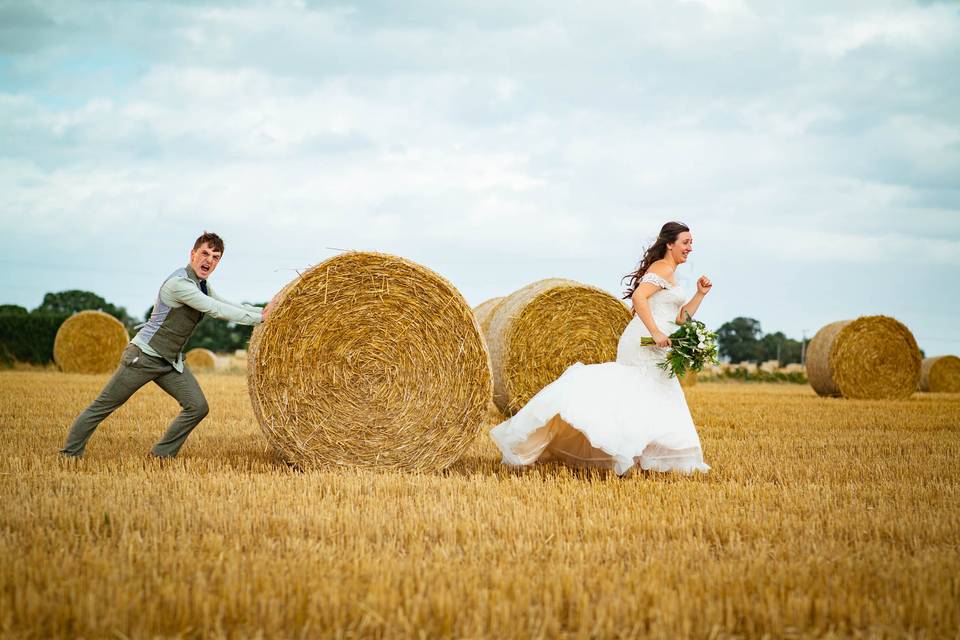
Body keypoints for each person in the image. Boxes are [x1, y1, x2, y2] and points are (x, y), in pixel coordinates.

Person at [490, 221, 712, 475]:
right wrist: (656, 332)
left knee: (651, 395)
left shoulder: (670, 272)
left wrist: (700, 294)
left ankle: (642, 456)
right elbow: (639, 298)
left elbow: (682, 317)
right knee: (643, 391)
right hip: (646, 340)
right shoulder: (661, 268)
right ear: (669, 244)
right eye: (686, 242)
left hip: (661, 342)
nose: (690, 248)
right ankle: (634, 453)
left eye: (691, 243)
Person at [60, 232, 273, 459]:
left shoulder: (202, 285)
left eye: (215, 257)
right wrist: (259, 319)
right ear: (193, 254)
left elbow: (225, 303)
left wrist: (262, 312)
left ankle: (161, 455)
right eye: (205, 253)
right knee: (102, 406)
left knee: (197, 406)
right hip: (143, 356)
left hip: (169, 361)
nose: (209, 260)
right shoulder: (179, 284)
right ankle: (69, 454)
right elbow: (214, 309)